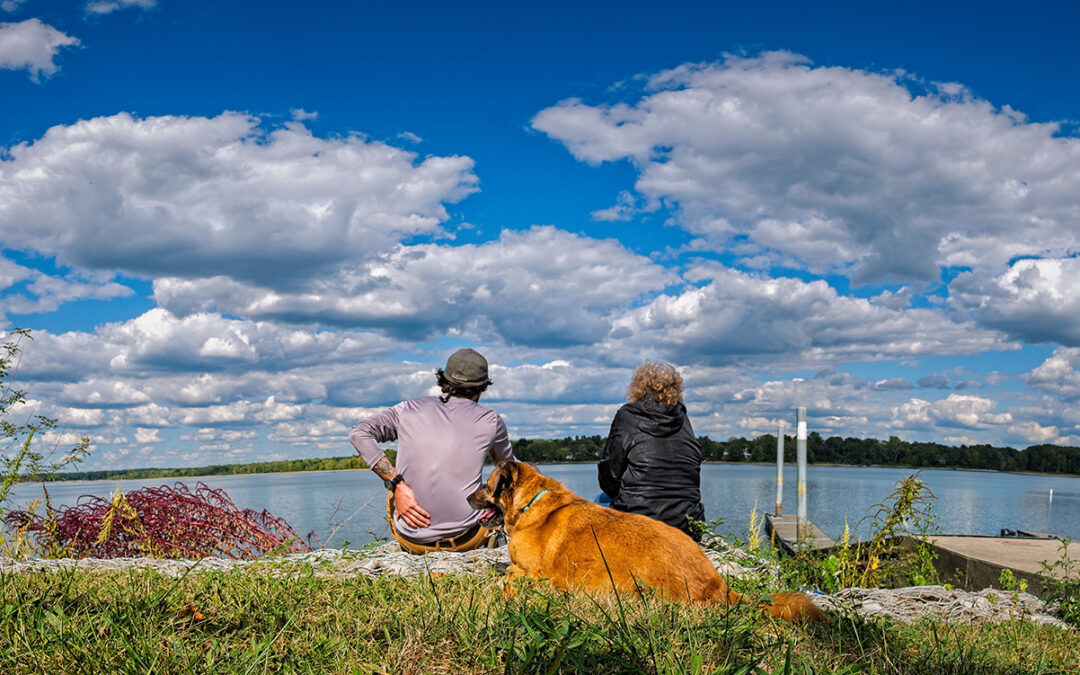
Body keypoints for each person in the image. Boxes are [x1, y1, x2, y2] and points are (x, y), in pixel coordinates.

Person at [349, 348, 516, 553]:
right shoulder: (491, 420)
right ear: (482, 387)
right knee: (493, 489)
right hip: (467, 540)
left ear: (444, 379)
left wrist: (397, 484)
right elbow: (511, 471)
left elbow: (359, 433)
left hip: (413, 542)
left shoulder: (407, 409)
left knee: (394, 490)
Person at [598, 361, 706, 540]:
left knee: (601, 499)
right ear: (676, 388)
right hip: (688, 523)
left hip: (641, 522)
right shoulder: (683, 419)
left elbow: (609, 473)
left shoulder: (627, 416)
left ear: (638, 386)